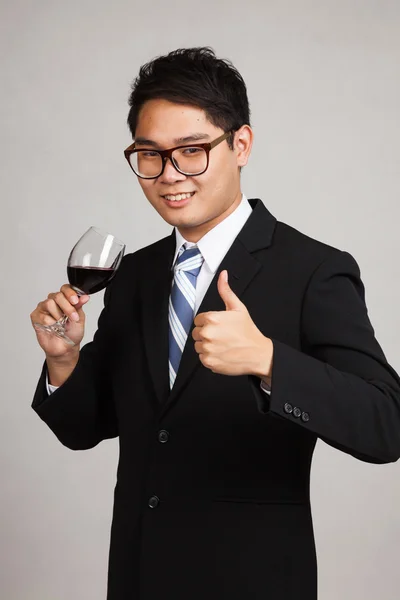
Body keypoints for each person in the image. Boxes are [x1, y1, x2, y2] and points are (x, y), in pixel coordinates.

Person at [30, 47, 400, 600]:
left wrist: (268, 361)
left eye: (193, 151)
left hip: (253, 581)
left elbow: (386, 424)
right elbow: (86, 429)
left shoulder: (314, 269)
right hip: (137, 579)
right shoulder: (133, 276)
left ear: (241, 145)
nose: (169, 175)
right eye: (149, 155)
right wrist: (63, 362)